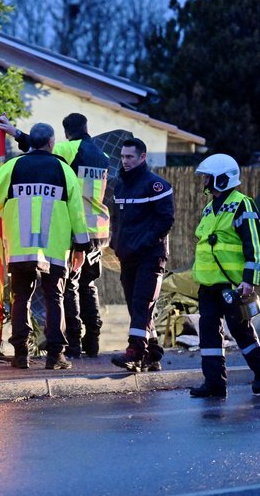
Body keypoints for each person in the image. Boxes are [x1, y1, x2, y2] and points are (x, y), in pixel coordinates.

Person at [0, 123, 90, 370]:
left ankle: (20, 355)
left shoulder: (13, 166)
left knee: (20, 299)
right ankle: (55, 356)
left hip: (20, 248)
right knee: (54, 299)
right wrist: (81, 247)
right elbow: (77, 214)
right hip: (54, 249)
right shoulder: (64, 170)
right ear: (51, 143)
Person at [0, 113, 110, 358]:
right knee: (88, 286)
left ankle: (74, 344)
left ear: (65, 132)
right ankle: (93, 341)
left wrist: (15, 133)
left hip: (74, 230)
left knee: (66, 288)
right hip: (98, 230)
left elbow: (39, 152)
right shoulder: (102, 155)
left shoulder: (68, 149)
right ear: (86, 126)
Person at [189, 154, 260, 398]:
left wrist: (249, 279)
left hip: (233, 284)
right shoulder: (209, 207)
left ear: (221, 179)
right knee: (208, 331)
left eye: (207, 177)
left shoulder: (242, 204)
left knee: (239, 329)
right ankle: (214, 383)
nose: (204, 180)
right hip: (208, 284)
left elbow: (254, 245)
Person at [109, 138, 173, 373]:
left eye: (130, 157)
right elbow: (116, 219)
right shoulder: (121, 185)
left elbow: (165, 220)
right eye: (123, 157)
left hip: (150, 256)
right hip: (128, 256)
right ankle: (152, 353)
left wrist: (143, 244)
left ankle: (134, 353)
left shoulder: (157, 185)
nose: (125, 161)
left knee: (141, 303)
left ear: (143, 157)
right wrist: (117, 244)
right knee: (136, 307)